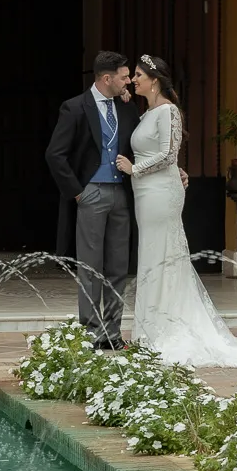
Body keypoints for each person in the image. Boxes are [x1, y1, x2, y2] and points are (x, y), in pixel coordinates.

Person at [122, 54, 237, 369]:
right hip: (147, 192)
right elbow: (164, 155)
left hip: (160, 193)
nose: (134, 79)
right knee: (150, 256)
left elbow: (167, 152)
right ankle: (149, 329)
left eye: (138, 75)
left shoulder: (169, 111)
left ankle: (166, 328)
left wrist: (135, 168)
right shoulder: (146, 113)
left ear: (155, 79)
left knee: (164, 255)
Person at [45, 51, 139, 348]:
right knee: (90, 266)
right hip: (91, 193)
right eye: (124, 77)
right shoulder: (74, 108)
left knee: (118, 266)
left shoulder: (127, 108)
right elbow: (54, 155)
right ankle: (91, 332)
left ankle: (112, 334)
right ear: (106, 78)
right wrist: (77, 191)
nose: (129, 82)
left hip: (122, 194)